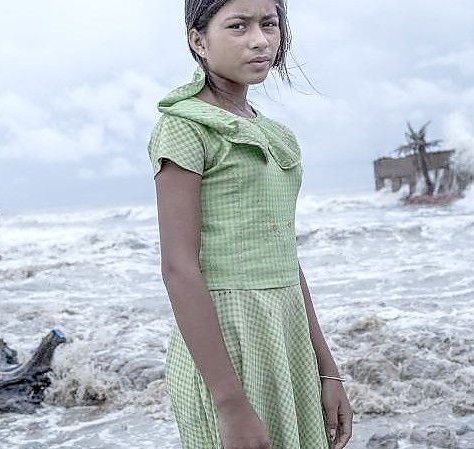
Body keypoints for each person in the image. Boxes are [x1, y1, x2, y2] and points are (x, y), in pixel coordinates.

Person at [148, 1, 352, 448]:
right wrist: (230, 404)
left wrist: (327, 368)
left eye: (269, 24)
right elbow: (178, 268)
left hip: (287, 336)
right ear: (198, 40)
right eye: (238, 26)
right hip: (227, 342)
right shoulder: (185, 128)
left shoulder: (277, 135)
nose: (260, 40)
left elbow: (286, 260)